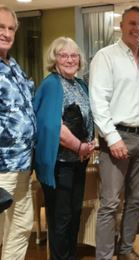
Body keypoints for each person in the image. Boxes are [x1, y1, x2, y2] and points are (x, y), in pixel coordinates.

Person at [89, 6, 139, 260]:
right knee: (110, 204)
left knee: (136, 200)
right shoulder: (106, 57)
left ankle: (127, 249)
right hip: (117, 138)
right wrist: (112, 137)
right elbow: (98, 101)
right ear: (121, 26)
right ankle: (105, 256)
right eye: (132, 24)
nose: (137, 29)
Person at [33, 36, 95, 260]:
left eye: (73, 55)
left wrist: (90, 145)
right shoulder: (51, 84)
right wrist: (80, 146)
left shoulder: (79, 84)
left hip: (78, 162)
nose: (70, 59)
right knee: (61, 219)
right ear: (55, 59)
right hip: (59, 165)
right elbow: (53, 126)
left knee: (74, 216)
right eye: (64, 55)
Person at [0, 5, 36, 260]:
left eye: (11, 28)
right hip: (1, 166)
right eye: (1, 27)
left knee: (22, 225)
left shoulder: (13, 65)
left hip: (22, 164)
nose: (6, 33)